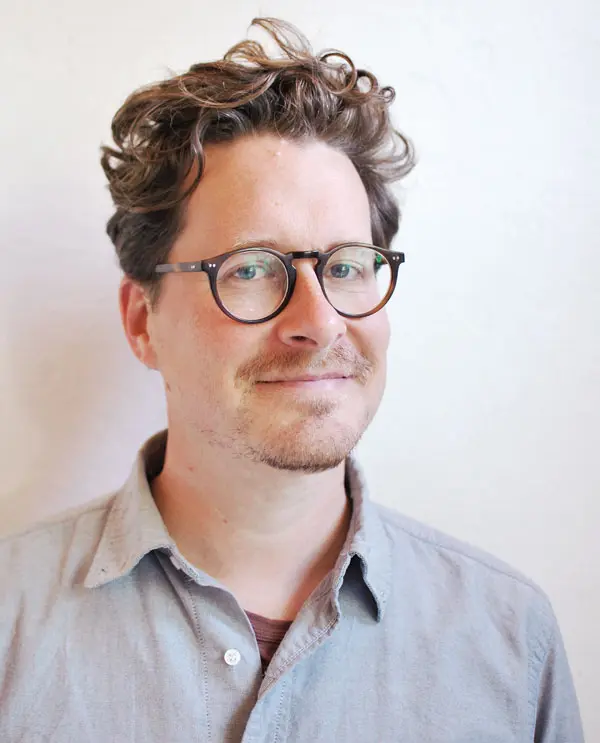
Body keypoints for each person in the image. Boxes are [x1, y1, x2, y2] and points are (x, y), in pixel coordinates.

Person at [0, 17, 584, 743]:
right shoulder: (11, 626)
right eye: (249, 268)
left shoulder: (511, 640)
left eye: (346, 266)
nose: (320, 321)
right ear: (143, 321)